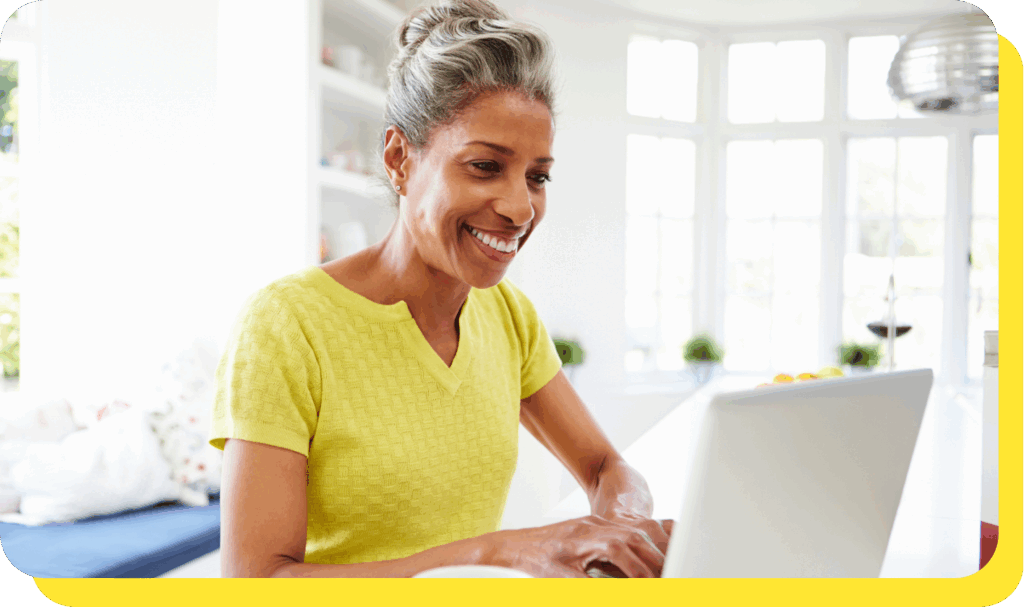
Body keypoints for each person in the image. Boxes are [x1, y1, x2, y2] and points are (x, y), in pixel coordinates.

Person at [210, 0, 673, 578]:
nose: (520, 207)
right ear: (399, 159)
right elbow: (254, 584)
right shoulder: (286, 324)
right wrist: (494, 550)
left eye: (538, 175)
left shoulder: (507, 315)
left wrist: (625, 527)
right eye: (484, 166)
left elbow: (606, 467)